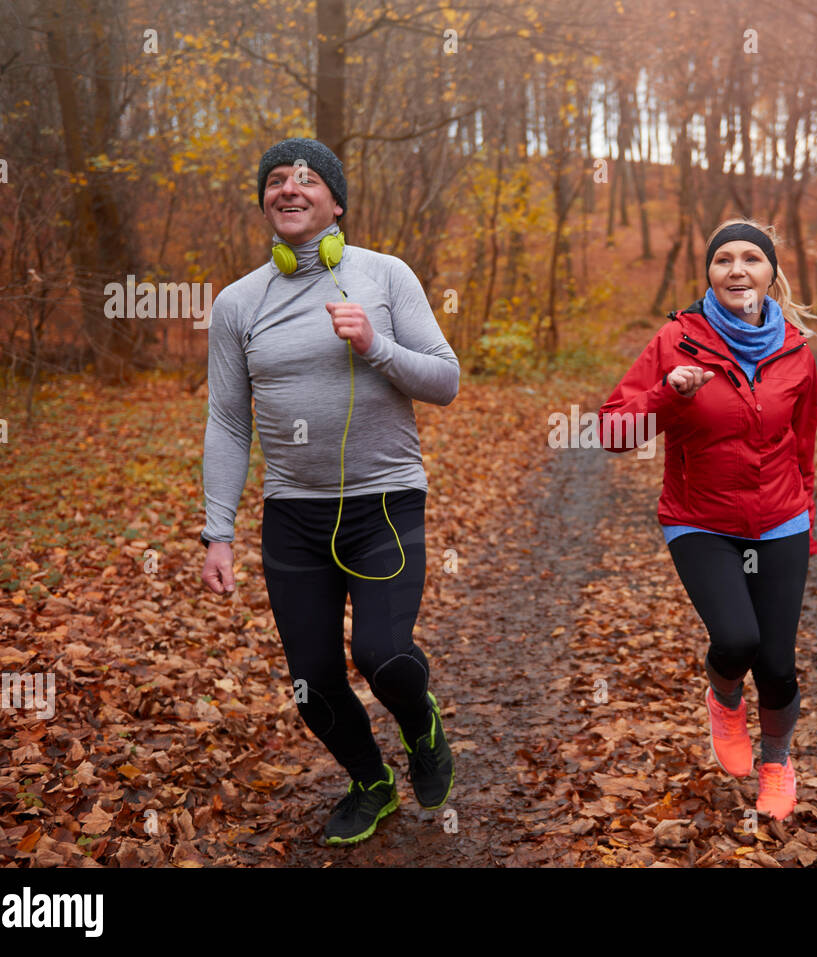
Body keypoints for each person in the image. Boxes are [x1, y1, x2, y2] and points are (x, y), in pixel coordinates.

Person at [199, 137, 460, 845]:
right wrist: (216, 529)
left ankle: (422, 725)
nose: (289, 188)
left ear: (335, 201)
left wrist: (376, 344)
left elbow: (445, 380)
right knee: (311, 681)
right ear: (264, 201)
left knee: (383, 653)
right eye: (275, 180)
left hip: (384, 502)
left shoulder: (385, 275)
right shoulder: (237, 304)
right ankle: (370, 780)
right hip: (292, 517)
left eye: (306, 180)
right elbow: (227, 418)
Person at [599, 218, 817, 821]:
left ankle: (777, 764)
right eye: (724, 259)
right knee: (737, 640)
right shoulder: (676, 342)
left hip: (780, 520)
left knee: (777, 663)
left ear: (771, 274)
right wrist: (669, 393)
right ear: (710, 274)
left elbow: (802, 444)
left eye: (752, 258)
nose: (737, 269)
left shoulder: (797, 350)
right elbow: (612, 431)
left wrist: (805, 515)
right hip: (701, 520)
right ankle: (724, 699)